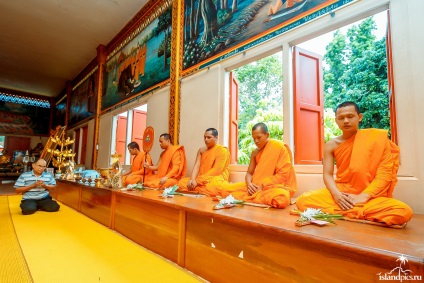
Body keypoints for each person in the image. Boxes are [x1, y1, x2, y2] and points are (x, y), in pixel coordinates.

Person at [296, 101, 413, 225]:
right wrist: (337, 195)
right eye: (341, 118)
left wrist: (363, 197)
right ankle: (356, 212)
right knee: (303, 200)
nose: (346, 121)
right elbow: (327, 175)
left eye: (350, 116)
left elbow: (384, 175)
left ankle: (347, 212)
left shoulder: (377, 139)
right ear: (336, 121)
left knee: (403, 211)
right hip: (343, 192)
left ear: (360, 117)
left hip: (369, 195)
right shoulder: (331, 145)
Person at [217, 122, 297, 208]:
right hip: (254, 186)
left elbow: (283, 174)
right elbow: (249, 173)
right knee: (224, 190)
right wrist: (249, 185)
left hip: (272, 187)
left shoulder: (279, 147)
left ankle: (255, 197)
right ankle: (257, 197)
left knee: (282, 198)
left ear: (267, 135)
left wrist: (263, 185)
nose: (256, 141)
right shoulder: (255, 153)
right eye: (254, 138)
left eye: (259, 137)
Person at [178, 128, 230, 194]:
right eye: (204, 137)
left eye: (208, 137)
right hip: (201, 178)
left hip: (214, 178)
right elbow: (197, 166)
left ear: (216, 138)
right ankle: (197, 187)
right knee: (181, 183)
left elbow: (217, 170)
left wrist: (198, 181)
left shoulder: (222, 150)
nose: (206, 140)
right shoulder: (201, 150)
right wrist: (192, 179)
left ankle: (197, 188)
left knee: (214, 187)